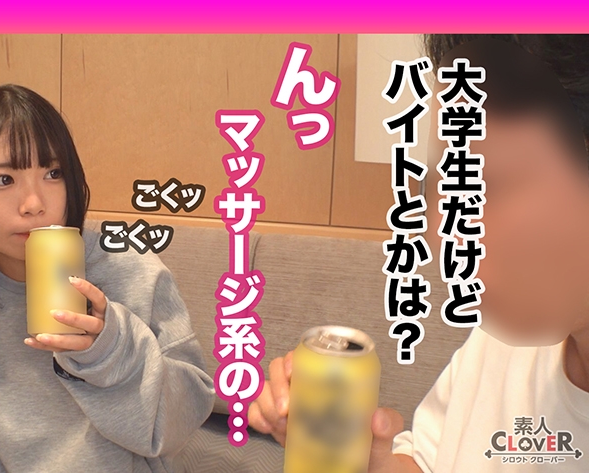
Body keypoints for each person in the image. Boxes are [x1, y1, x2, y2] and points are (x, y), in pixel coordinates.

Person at [249, 34, 589, 472]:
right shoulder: (503, 343)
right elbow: (430, 461)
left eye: (484, 186)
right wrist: (365, 460)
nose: (439, 232)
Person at [0, 84, 215, 473]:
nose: (35, 204)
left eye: (53, 173)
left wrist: (113, 352)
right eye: (3, 179)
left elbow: (182, 421)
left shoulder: (130, 269)